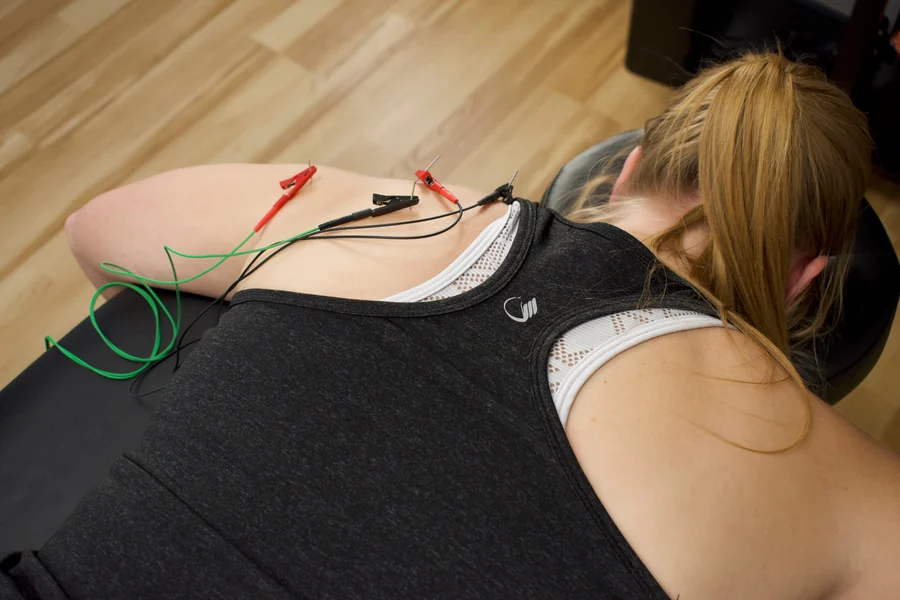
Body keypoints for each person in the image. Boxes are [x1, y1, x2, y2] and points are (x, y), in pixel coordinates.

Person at [2, 52, 898, 599]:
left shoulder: (394, 213)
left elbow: (99, 233)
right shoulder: (839, 486)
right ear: (805, 282)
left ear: (625, 172)